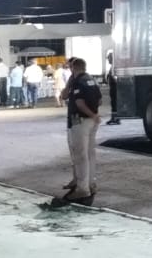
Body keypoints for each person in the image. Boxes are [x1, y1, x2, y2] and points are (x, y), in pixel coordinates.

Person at [51, 57, 102, 208]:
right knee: (90, 154)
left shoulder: (78, 81)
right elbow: (99, 101)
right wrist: (95, 115)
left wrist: (91, 114)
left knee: (80, 156)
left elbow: (78, 103)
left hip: (80, 121)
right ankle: (91, 184)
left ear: (73, 68)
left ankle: (82, 189)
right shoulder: (91, 80)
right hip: (92, 122)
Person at [105, 53, 120, 125]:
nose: (108, 60)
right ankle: (115, 118)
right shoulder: (113, 66)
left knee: (114, 103)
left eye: (109, 58)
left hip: (115, 87)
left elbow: (115, 77)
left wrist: (112, 79)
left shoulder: (114, 66)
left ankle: (115, 118)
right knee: (114, 103)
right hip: (113, 87)